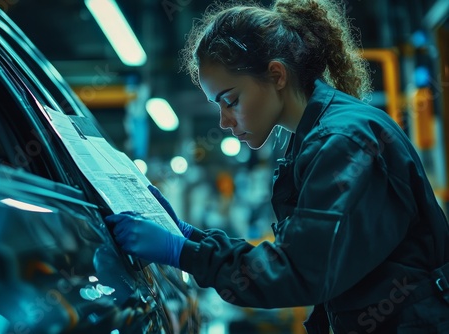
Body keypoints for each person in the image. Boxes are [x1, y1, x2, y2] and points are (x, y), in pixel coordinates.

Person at [105, 0, 449, 332]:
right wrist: (189, 236)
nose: (224, 121)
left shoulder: (342, 141)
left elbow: (299, 271)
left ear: (277, 75)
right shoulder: (318, 135)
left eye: (231, 100)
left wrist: (182, 253)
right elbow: (303, 254)